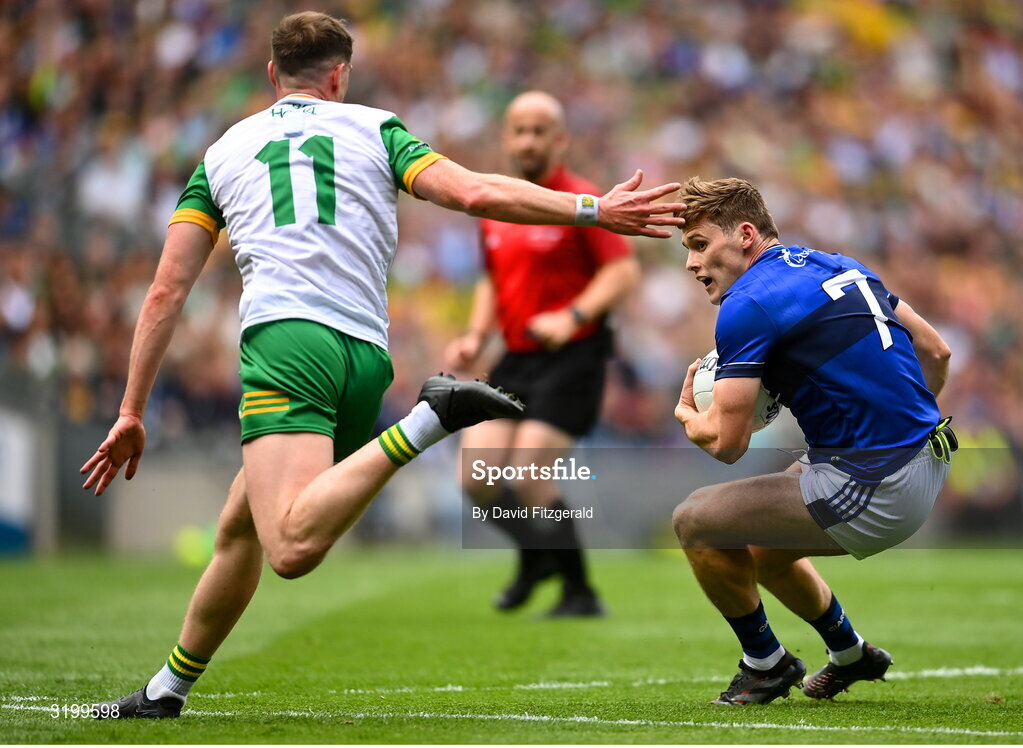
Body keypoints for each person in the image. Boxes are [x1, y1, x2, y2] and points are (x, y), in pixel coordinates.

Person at [82, 12, 684, 719]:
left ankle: (428, 419)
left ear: (273, 75)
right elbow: (474, 193)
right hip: (365, 357)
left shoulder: (220, 154)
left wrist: (131, 409)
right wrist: (592, 207)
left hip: (287, 345)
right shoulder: (378, 129)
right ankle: (168, 689)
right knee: (241, 527)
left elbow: (166, 291)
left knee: (290, 546)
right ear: (340, 75)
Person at [670, 177, 955, 705]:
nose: (691, 263)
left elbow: (727, 445)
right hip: (929, 452)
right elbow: (936, 351)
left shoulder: (747, 302)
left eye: (700, 244)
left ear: (746, 235)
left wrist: (688, 416)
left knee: (694, 520)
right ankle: (851, 653)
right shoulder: (836, 264)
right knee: (765, 551)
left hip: (877, 481)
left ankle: (765, 664)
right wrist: (899, 424)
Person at [446, 91, 639, 617]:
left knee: (529, 476)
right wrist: (475, 335)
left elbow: (623, 271)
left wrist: (572, 316)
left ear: (560, 140)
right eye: (520, 131)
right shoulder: (496, 207)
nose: (529, 141)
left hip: (574, 356)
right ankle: (536, 558)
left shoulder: (583, 200)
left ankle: (580, 592)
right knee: (475, 479)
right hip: (517, 358)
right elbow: (493, 280)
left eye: (539, 131)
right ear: (506, 139)